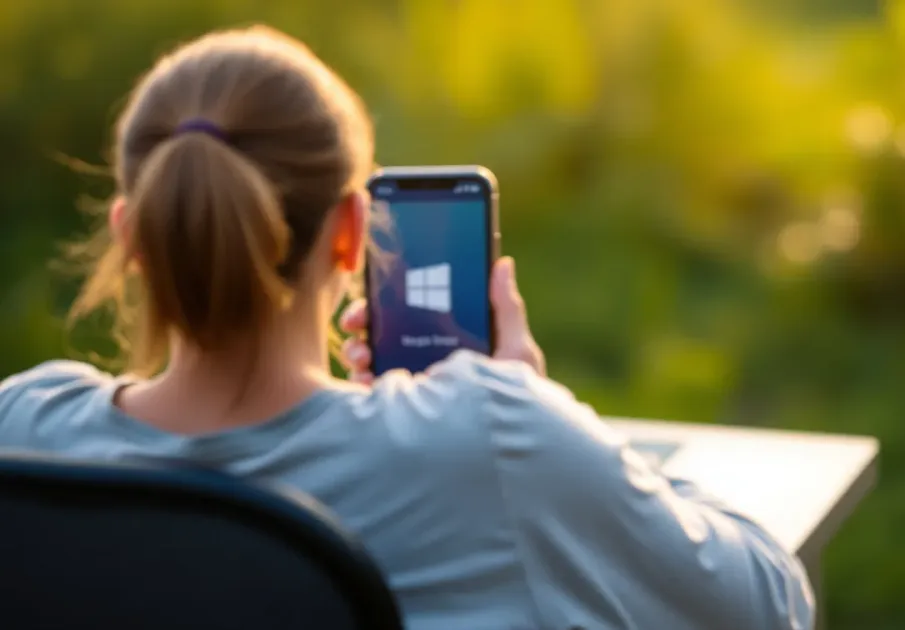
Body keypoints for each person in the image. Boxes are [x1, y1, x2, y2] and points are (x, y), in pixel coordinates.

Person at [0, 27, 813, 630]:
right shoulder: (491, 439)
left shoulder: (21, 437)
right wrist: (543, 417)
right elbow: (769, 606)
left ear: (130, 237)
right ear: (354, 233)